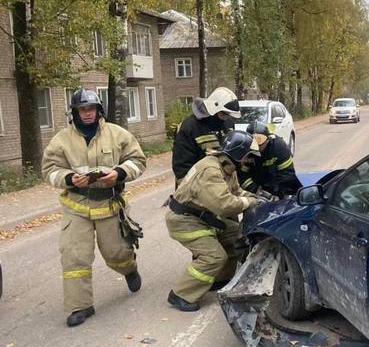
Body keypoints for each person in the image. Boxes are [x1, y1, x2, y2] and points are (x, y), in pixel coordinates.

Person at [42, 88, 146, 327]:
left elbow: (138, 161)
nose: (87, 113)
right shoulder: (61, 140)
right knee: (74, 256)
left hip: (109, 204)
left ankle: (129, 269)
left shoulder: (117, 134)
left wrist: (119, 173)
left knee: (116, 253)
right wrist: (68, 179)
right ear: (75, 112)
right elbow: (49, 171)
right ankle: (81, 306)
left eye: (91, 109)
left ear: (99, 110)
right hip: (76, 206)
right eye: (82, 109)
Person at [165, 130, 260, 311]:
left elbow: (236, 192)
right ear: (239, 154)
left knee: (237, 237)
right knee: (214, 257)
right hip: (185, 220)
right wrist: (251, 202)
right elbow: (223, 205)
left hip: (204, 218)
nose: (250, 160)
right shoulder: (211, 170)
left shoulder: (227, 166)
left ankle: (220, 280)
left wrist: (258, 197)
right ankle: (181, 294)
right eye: (248, 156)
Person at [171, 87, 242, 186]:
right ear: (214, 108)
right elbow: (182, 170)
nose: (226, 118)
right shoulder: (189, 127)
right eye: (224, 114)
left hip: (223, 188)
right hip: (198, 190)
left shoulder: (227, 124)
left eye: (229, 115)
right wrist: (206, 191)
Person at [238, 121, 301, 198]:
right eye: (253, 144)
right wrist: (257, 191)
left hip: (278, 189)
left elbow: (287, 175)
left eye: (259, 144)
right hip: (256, 192)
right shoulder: (247, 150)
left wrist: (276, 193)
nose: (256, 148)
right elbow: (242, 176)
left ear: (268, 139)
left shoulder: (279, 147)